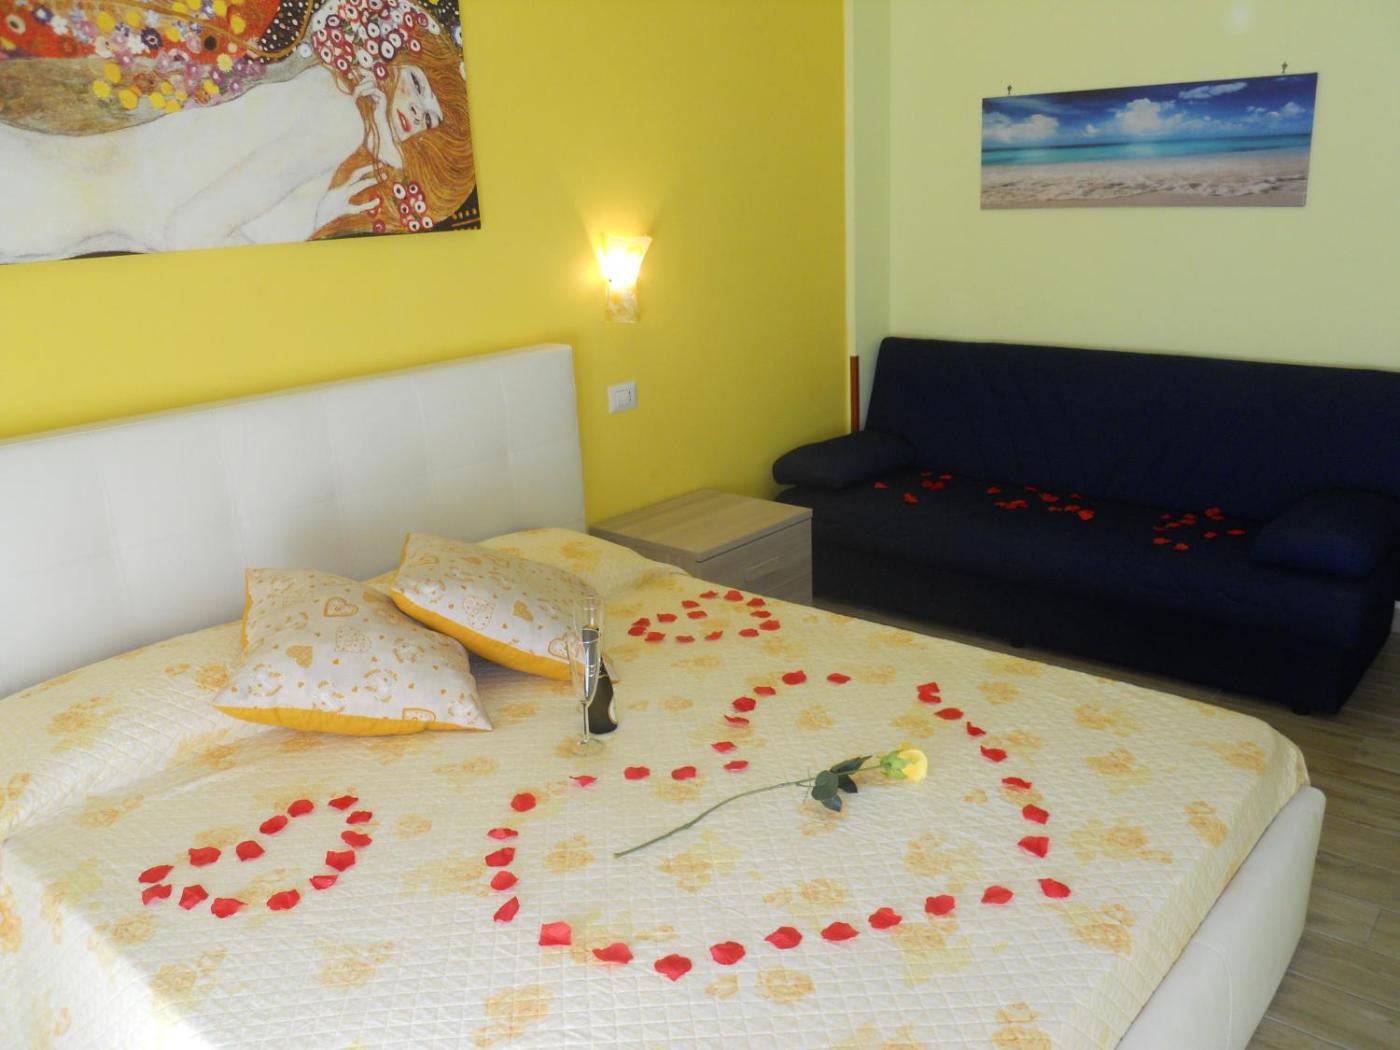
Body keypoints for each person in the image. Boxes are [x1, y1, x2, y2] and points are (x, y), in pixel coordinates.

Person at [0, 0, 474, 262]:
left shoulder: (325, 93)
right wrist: (311, 234)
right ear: (395, 62)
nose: (416, 113)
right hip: (51, 200)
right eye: (418, 86)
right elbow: (189, 234)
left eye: (430, 119)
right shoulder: (339, 121)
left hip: (59, 193)